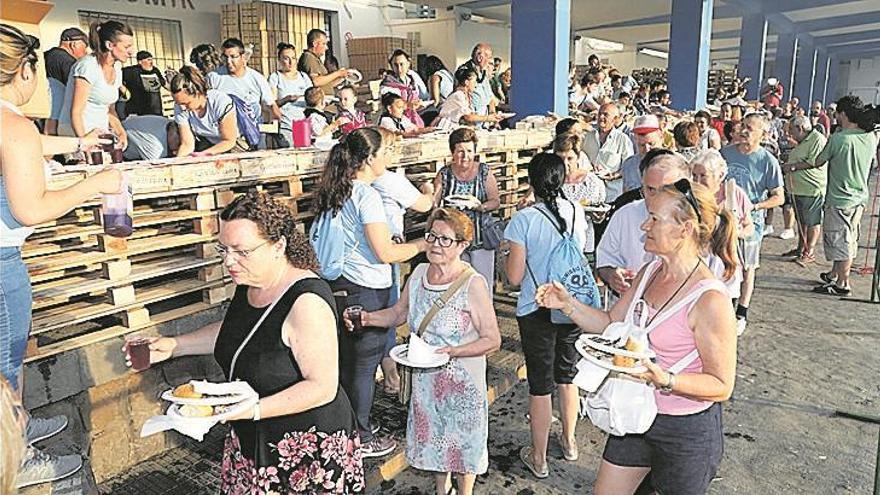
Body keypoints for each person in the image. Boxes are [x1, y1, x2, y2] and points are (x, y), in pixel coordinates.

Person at [130, 191, 365, 492]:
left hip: (305, 449)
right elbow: (242, 332)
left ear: (278, 246)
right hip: (252, 439)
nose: (229, 261)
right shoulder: (250, 281)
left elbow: (322, 387)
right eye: (223, 249)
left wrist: (251, 410)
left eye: (241, 251)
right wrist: (175, 345)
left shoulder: (307, 302)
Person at [535, 179, 737, 495]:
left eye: (654, 218)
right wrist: (568, 304)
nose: (644, 225)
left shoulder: (710, 299)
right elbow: (610, 323)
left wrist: (666, 378)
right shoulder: (649, 272)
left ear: (684, 230)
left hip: (685, 432)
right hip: (635, 415)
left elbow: (722, 385)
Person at [1, 23, 123, 488]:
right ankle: (16, 458)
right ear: (24, 70)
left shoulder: (9, 125)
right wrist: (91, 184)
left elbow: (24, 150)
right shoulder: (13, 123)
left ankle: (20, 427)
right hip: (2, 262)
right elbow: (29, 206)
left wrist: (77, 144)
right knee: (6, 367)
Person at [355, 208, 500, 495]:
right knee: (435, 444)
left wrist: (453, 351)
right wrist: (367, 318)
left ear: (462, 245)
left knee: (462, 447)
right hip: (426, 382)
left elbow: (493, 340)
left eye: (445, 239)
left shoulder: (473, 284)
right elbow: (399, 313)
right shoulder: (420, 273)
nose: (435, 244)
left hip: (462, 385)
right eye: (431, 236)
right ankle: (440, 489)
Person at [312, 128, 428, 457]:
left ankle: (347, 427)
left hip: (338, 285)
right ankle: (359, 438)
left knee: (348, 364)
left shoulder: (335, 188)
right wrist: (421, 244)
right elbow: (384, 254)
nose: (389, 159)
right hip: (366, 289)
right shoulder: (366, 195)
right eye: (385, 153)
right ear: (370, 158)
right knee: (363, 368)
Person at [504, 153, 590, 478]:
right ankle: (569, 443)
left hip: (535, 308)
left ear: (531, 181)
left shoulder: (523, 219)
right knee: (567, 376)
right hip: (569, 306)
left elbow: (513, 277)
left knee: (540, 386)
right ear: (563, 177)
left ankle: (538, 458)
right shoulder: (575, 210)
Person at [789, 96, 880, 295]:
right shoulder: (871, 136)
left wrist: (792, 166)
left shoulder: (839, 138)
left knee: (841, 242)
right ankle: (834, 274)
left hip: (839, 199)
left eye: (838, 114)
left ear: (843, 114)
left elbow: (818, 161)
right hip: (859, 198)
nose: (836, 117)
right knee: (850, 238)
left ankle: (842, 283)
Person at [721, 113, 784, 333]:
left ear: (763, 134)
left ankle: (742, 312)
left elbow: (779, 197)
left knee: (747, 268)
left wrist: (755, 207)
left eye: (750, 128)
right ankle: (724, 306)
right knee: (725, 264)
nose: (744, 131)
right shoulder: (725, 153)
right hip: (723, 222)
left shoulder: (768, 161)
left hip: (750, 225)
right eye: (743, 126)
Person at [596, 153, 691, 295]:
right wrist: (612, 276)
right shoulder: (625, 214)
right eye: (651, 189)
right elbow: (604, 260)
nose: (657, 197)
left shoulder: (699, 224)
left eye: (667, 190)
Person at [433, 128, 500, 296]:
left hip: (480, 238)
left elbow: (495, 201)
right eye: (460, 151)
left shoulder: (484, 172)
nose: (465, 156)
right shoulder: (444, 174)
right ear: (452, 153)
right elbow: (434, 203)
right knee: (456, 289)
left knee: (482, 287)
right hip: (454, 241)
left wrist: (481, 207)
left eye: (469, 151)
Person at [58, 20, 133, 150]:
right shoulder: (87, 66)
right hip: (76, 133)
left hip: (99, 133)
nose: (131, 52)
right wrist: (84, 144)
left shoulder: (117, 68)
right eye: (127, 47)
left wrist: (121, 133)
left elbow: (109, 110)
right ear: (110, 45)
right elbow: (76, 112)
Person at [690, 149, 753, 299]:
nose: (697, 181)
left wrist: (735, 232)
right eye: (694, 176)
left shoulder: (734, 193)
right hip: (696, 263)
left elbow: (749, 226)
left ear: (719, 176)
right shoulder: (690, 195)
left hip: (725, 263)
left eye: (703, 176)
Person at [207, 38, 280, 135]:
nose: (229, 61)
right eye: (225, 57)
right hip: (223, 134)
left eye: (233, 57)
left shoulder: (257, 78)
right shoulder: (213, 77)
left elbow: (271, 105)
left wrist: (274, 123)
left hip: (252, 133)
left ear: (243, 57)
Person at [780, 116, 827, 266]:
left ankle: (809, 251)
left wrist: (792, 167)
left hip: (812, 189)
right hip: (798, 188)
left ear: (800, 128)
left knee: (812, 221)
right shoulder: (802, 141)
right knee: (801, 221)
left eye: (792, 130)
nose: (790, 134)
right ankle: (801, 248)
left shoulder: (817, 139)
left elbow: (815, 161)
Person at [171, 66, 247, 156]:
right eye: (179, 103)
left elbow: (229, 140)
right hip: (208, 142)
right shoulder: (180, 106)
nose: (183, 108)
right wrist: (178, 162)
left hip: (233, 145)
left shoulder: (219, 102)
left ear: (198, 93)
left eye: (186, 103)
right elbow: (187, 144)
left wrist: (204, 154)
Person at [583, 103, 635, 202]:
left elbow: (628, 167)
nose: (601, 117)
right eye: (600, 114)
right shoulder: (588, 136)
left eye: (605, 115)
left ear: (614, 119)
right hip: (590, 193)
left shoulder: (622, 139)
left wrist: (613, 176)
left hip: (612, 194)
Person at [43, 27, 88, 136]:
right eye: (85, 47)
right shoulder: (69, 62)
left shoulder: (44, 56)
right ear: (74, 45)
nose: (86, 52)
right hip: (57, 115)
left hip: (41, 108)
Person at [267, 42, 312, 147]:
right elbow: (270, 103)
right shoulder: (275, 77)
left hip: (303, 124)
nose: (291, 62)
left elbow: (312, 96)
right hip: (285, 125)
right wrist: (286, 99)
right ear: (280, 60)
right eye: (286, 58)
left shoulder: (304, 77)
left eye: (293, 58)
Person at [434, 66, 503, 127]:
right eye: (474, 81)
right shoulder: (458, 96)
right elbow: (468, 117)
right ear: (466, 82)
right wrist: (489, 118)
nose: (476, 85)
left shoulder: (466, 96)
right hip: (445, 128)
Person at [380, 49, 429, 128]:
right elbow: (391, 103)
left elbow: (424, 95)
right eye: (395, 65)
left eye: (401, 64)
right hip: (395, 121)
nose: (399, 69)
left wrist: (419, 103)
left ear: (408, 63)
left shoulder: (412, 78)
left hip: (413, 117)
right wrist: (408, 105)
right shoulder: (388, 84)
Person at [621, 115, 664, 193]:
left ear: (661, 136)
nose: (647, 150)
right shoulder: (628, 166)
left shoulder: (676, 163)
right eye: (642, 145)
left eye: (651, 144)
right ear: (635, 141)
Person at [297, 28, 348, 94]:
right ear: (315, 44)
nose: (326, 48)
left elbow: (326, 85)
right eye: (323, 44)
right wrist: (338, 73)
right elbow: (316, 81)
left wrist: (342, 77)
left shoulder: (316, 59)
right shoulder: (309, 57)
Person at [456, 43, 497, 120]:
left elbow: (490, 97)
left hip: (484, 120)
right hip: (471, 120)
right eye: (488, 58)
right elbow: (461, 97)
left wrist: (493, 115)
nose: (489, 62)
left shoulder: (483, 72)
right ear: (479, 58)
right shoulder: (465, 72)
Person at [121, 50, 166, 117]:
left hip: (155, 110)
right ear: (140, 62)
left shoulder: (155, 70)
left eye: (151, 60)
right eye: (148, 60)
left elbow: (163, 83)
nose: (151, 62)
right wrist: (124, 90)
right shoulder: (131, 71)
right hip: (138, 109)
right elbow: (117, 78)